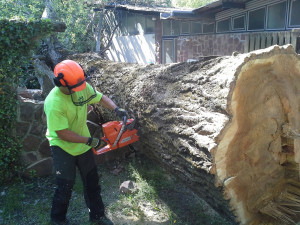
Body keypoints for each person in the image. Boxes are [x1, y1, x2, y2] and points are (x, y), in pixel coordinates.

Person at [44, 60, 127, 225]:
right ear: (60, 84)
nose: (79, 91)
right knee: (65, 186)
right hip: (62, 146)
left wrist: (116, 109)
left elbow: (100, 97)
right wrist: (91, 141)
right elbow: (63, 133)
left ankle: (97, 216)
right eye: (74, 88)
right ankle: (57, 220)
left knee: (92, 182)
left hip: (83, 143)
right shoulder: (54, 102)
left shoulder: (79, 85)